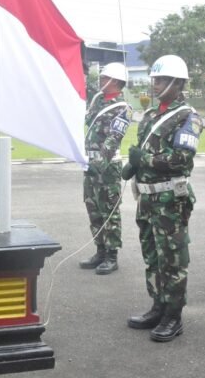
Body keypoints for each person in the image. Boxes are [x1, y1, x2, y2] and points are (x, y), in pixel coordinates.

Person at [123, 55, 204, 343]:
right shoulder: (151, 115)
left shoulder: (188, 117)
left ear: (177, 82)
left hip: (171, 200)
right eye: (154, 79)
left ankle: (173, 316)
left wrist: (142, 159)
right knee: (152, 257)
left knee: (172, 259)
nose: (154, 84)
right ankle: (157, 306)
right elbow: (145, 149)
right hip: (146, 200)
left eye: (159, 80)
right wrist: (133, 164)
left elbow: (181, 158)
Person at [79, 62, 132, 275]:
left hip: (107, 167)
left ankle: (112, 255)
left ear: (116, 81)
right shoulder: (97, 101)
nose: (101, 80)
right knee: (92, 207)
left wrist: (99, 165)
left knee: (109, 210)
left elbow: (113, 139)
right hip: (90, 164)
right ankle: (99, 250)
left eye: (105, 78)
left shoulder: (123, 108)